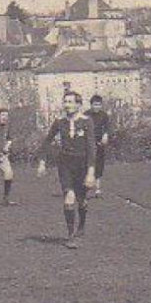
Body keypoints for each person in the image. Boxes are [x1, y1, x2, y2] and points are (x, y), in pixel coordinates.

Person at [37, 90, 98, 250]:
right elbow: (47, 141)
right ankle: (70, 236)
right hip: (65, 164)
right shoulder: (59, 122)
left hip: (82, 164)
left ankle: (81, 226)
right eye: (65, 102)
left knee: (82, 200)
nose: (67, 105)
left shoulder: (87, 121)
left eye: (71, 102)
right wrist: (42, 161)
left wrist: (91, 171)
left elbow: (91, 148)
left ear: (78, 104)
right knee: (69, 197)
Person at [87, 95, 111, 198]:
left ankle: (97, 189)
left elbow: (107, 128)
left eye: (98, 105)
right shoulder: (86, 115)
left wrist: (105, 135)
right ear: (91, 105)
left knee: (99, 166)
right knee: (88, 165)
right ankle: (87, 188)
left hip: (100, 144)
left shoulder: (104, 115)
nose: (97, 107)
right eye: (95, 104)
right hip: (88, 144)